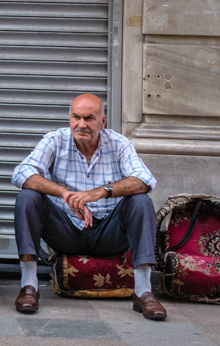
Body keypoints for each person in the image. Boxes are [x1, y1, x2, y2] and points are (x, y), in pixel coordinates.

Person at [11, 93, 166, 320]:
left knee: (141, 201)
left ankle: (143, 292)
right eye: (76, 117)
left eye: (89, 118)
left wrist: (101, 192)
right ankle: (29, 286)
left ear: (103, 122)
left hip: (108, 233)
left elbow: (144, 180)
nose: (81, 124)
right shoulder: (55, 140)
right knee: (27, 197)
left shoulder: (119, 144)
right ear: (70, 118)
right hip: (66, 230)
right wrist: (65, 194)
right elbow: (21, 173)